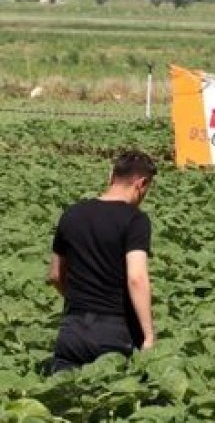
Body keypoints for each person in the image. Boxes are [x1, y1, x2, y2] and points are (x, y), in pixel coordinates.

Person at [47, 151, 157, 373]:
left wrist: (79, 300)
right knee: (114, 399)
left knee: (64, 400)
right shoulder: (135, 220)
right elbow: (136, 278)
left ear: (111, 175)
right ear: (141, 183)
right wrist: (148, 335)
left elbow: (56, 275)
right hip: (115, 332)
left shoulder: (72, 214)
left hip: (72, 330)